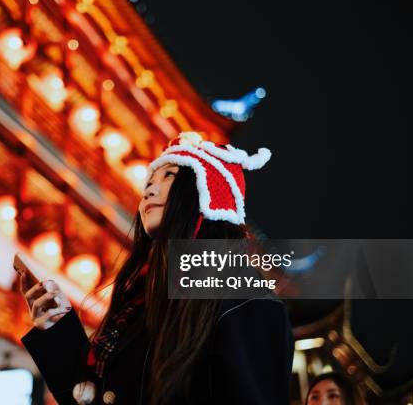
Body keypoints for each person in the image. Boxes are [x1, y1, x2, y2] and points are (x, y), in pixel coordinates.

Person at [19, 131, 294, 404]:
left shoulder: (243, 300)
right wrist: (56, 329)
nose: (149, 189)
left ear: (207, 194)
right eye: (149, 181)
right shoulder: (139, 303)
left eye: (169, 176)